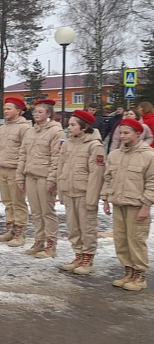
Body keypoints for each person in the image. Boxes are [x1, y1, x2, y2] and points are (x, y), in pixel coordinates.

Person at [101, 118, 154, 291]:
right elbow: (108, 178)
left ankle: (139, 275)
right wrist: (106, 199)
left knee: (136, 240)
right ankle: (128, 271)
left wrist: (146, 205)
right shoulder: (115, 155)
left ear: (138, 134)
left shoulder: (148, 155)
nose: (122, 136)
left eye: (127, 133)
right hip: (119, 203)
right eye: (121, 133)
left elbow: (152, 182)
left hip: (137, 206)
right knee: (121, 240)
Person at [58, 110, 105, 275]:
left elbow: (96, 174)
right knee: (74, 227)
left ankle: (88, 257)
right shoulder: (68, 144)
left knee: (87, 227)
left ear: (84, 127)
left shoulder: (94, 146)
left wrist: (92, 199)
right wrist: (61, 191)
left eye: (72, 125)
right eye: (69, 124)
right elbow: (61, 168)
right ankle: (77, 254)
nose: (69, 127)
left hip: (85, 194)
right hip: (70, 191)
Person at [17, 98, 65, 258]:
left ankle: (51, 245)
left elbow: (56, 157)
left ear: (49, 114)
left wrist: (52, 179)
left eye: (40, 112)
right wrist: (20, 175)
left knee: (47, 212)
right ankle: (39, 241)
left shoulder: (56, 132)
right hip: (30, 175)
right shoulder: (30, 131)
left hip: (45, 176)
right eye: (35, 111)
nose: (36, 114)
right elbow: (23, 154)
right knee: (36, 212)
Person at [0, 97, 32, 246]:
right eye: (5, 108)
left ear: (19, 111)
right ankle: (10, 229)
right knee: (7, 202)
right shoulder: (1, 128)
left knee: (18, 202)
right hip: (2, 168)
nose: (5, 111)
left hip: (16, 169)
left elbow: (25, 151)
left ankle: (20, 233)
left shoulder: (25, 128)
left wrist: (22, 173)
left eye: (9, 108)